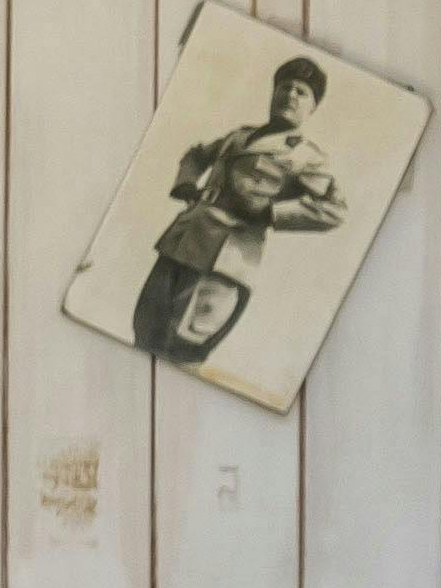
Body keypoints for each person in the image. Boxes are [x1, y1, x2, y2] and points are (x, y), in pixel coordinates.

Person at [132, 54, 344, 362]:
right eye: (285, 87)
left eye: (302, 92)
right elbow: (196, 156)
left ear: (313, 107)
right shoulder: (240, 136)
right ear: (273, 93)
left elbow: (335, 209)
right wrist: (187, 185)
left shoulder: (307, 157)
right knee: (146, 328)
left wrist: (272, 214)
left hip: (226, 260)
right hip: (181, 242)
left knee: (184, 345)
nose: (290, 95)